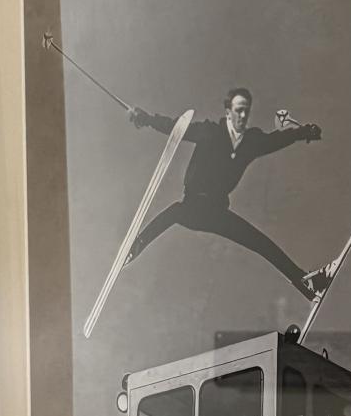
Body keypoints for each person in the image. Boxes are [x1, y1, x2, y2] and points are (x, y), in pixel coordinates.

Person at [124, 87, 330, 299]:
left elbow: (275, 140)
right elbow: (175, 127)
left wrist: (302, 132)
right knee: (176, 211)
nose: (241, 116)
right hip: (193, 206)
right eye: (237, 110)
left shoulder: (250, 142)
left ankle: (306, 283)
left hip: (216, 212)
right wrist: (146, 118)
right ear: (228, 112)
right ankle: (135, 248)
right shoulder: (208, 131)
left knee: (259, 242)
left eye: (244, 111)